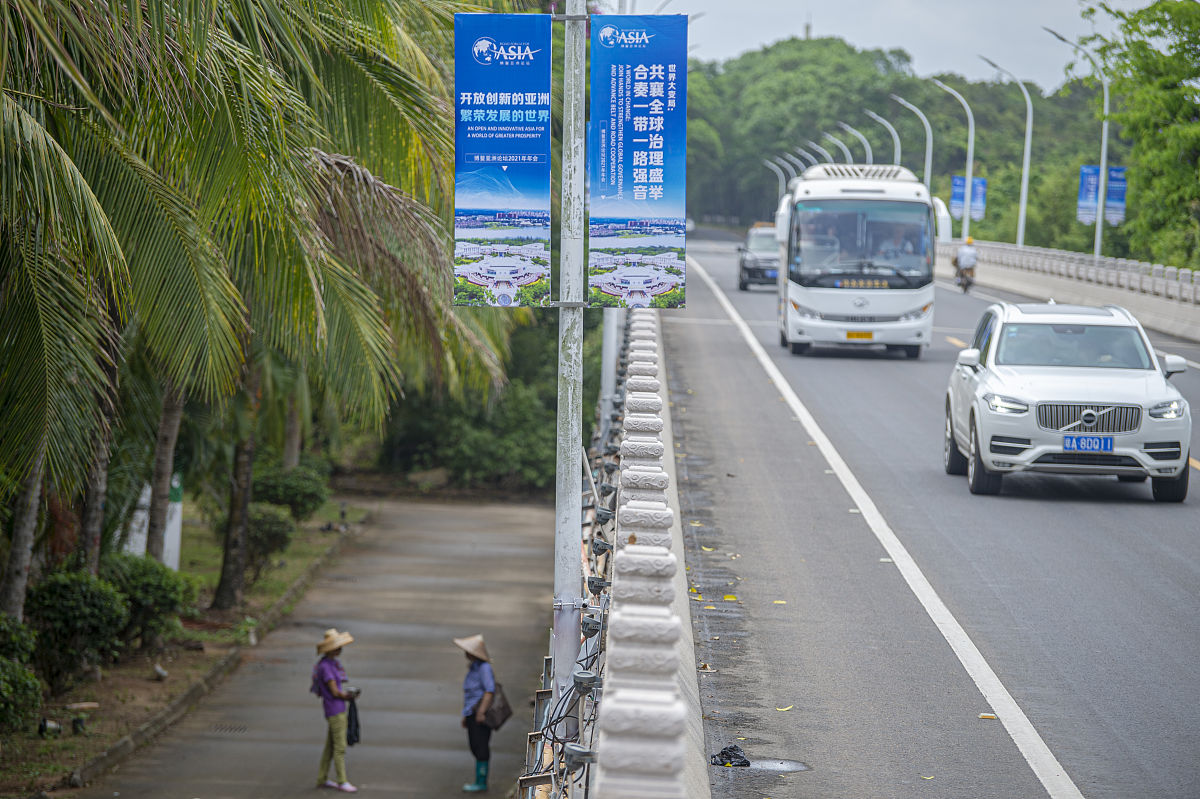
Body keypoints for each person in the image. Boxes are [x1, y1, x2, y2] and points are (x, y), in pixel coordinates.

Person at [312, 629, 359, 793]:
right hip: (335, 709)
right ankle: (342, 780)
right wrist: (348, 696)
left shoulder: (328, 664)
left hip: (333, 708)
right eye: (337, 647)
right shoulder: (327, 668)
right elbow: (335, 691)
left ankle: (322, 778)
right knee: (340, 748)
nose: (340, 649)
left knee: (330, 748)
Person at [454, 634, 495, 793]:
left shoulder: (484, 668)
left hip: (479, 713)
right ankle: (479, 780)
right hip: (472, 712)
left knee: (480, 746)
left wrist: (481, 712)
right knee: (475, 745)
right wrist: (466, 715)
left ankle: (481, 782)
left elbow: (489, 691)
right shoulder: (474, 667)